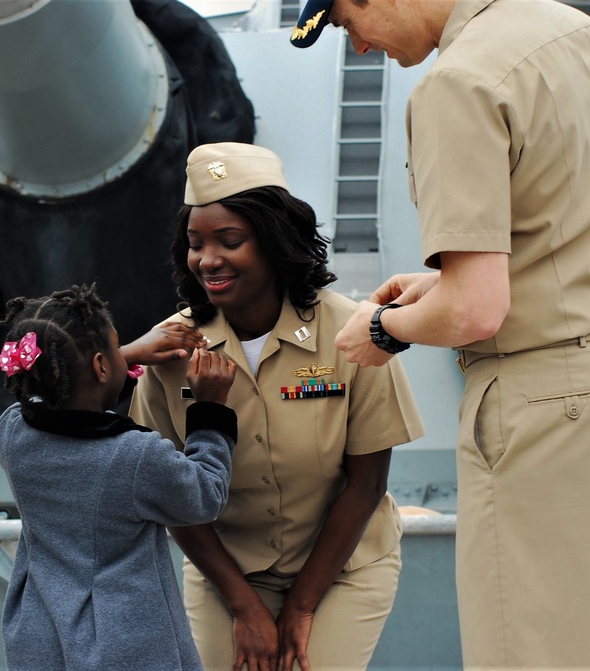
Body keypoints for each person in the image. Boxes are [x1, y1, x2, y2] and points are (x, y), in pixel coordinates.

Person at [291, 0, 590, 668]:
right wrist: (437, 285)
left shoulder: (456, 83)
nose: (357, 47)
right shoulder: (587, 38)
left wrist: (382, 328)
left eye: (349, 23)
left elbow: (475, 313)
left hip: (545, 404)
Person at [130, 142, 425, 671]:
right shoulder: (170, 350)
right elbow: (169, 494)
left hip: (343, 568)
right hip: (228, 574)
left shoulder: (354, 332)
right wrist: (244, 607)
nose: (208, 259)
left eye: (230, 240)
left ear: (272, 242)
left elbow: (366, 484)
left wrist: (302, 607)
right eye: (195, 243)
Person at [0, 283, 239, 671]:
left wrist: (121, 356)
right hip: (125, 644)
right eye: (116, 348)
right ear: (100, 366)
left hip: (39, 638)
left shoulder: (12, 432)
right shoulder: (135, 457)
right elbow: (205, 496)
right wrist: (209, 411)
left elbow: (68, 400)